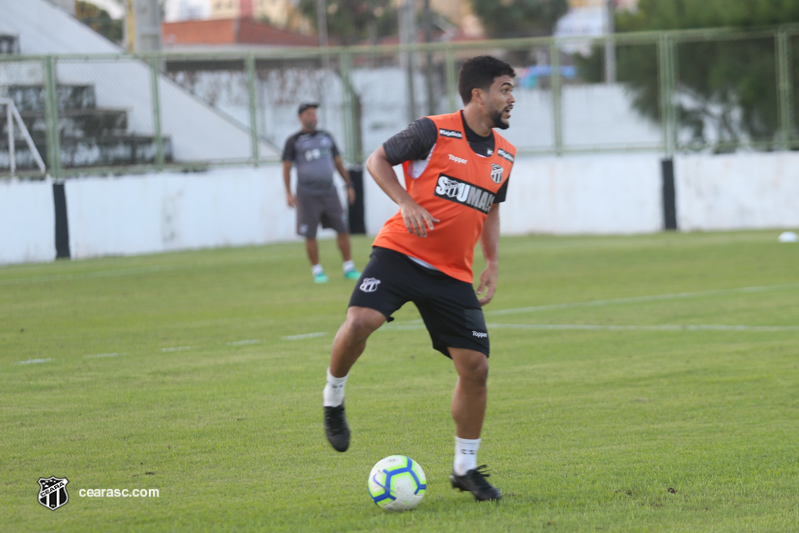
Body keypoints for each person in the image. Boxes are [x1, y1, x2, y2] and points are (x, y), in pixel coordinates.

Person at [322, 56, 516, 502]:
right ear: (478, 94)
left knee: (476, 368)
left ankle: (465, 467)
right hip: (400, 253)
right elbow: (377, 160)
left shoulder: (505, 154)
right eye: (505, 89)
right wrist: (406, 202)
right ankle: (334, 397)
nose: (511, 99)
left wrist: (492, 262)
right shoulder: (433, 130)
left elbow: (491, 207)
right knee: (360, 322)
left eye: (512, 90)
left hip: (452, 273)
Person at [283, 102, 360, 283]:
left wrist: (349, 185)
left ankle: (349, 267)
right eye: (309, 114)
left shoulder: (327, 137)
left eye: (315, 114)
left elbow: (338, 163)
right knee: (309, 234)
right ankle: (317, 271)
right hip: (307, 194)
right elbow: (286, 168)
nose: (313, 117)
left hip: (330, 192)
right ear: (300, 117)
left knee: (343, 228)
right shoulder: (293, 141)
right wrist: (288, 193)